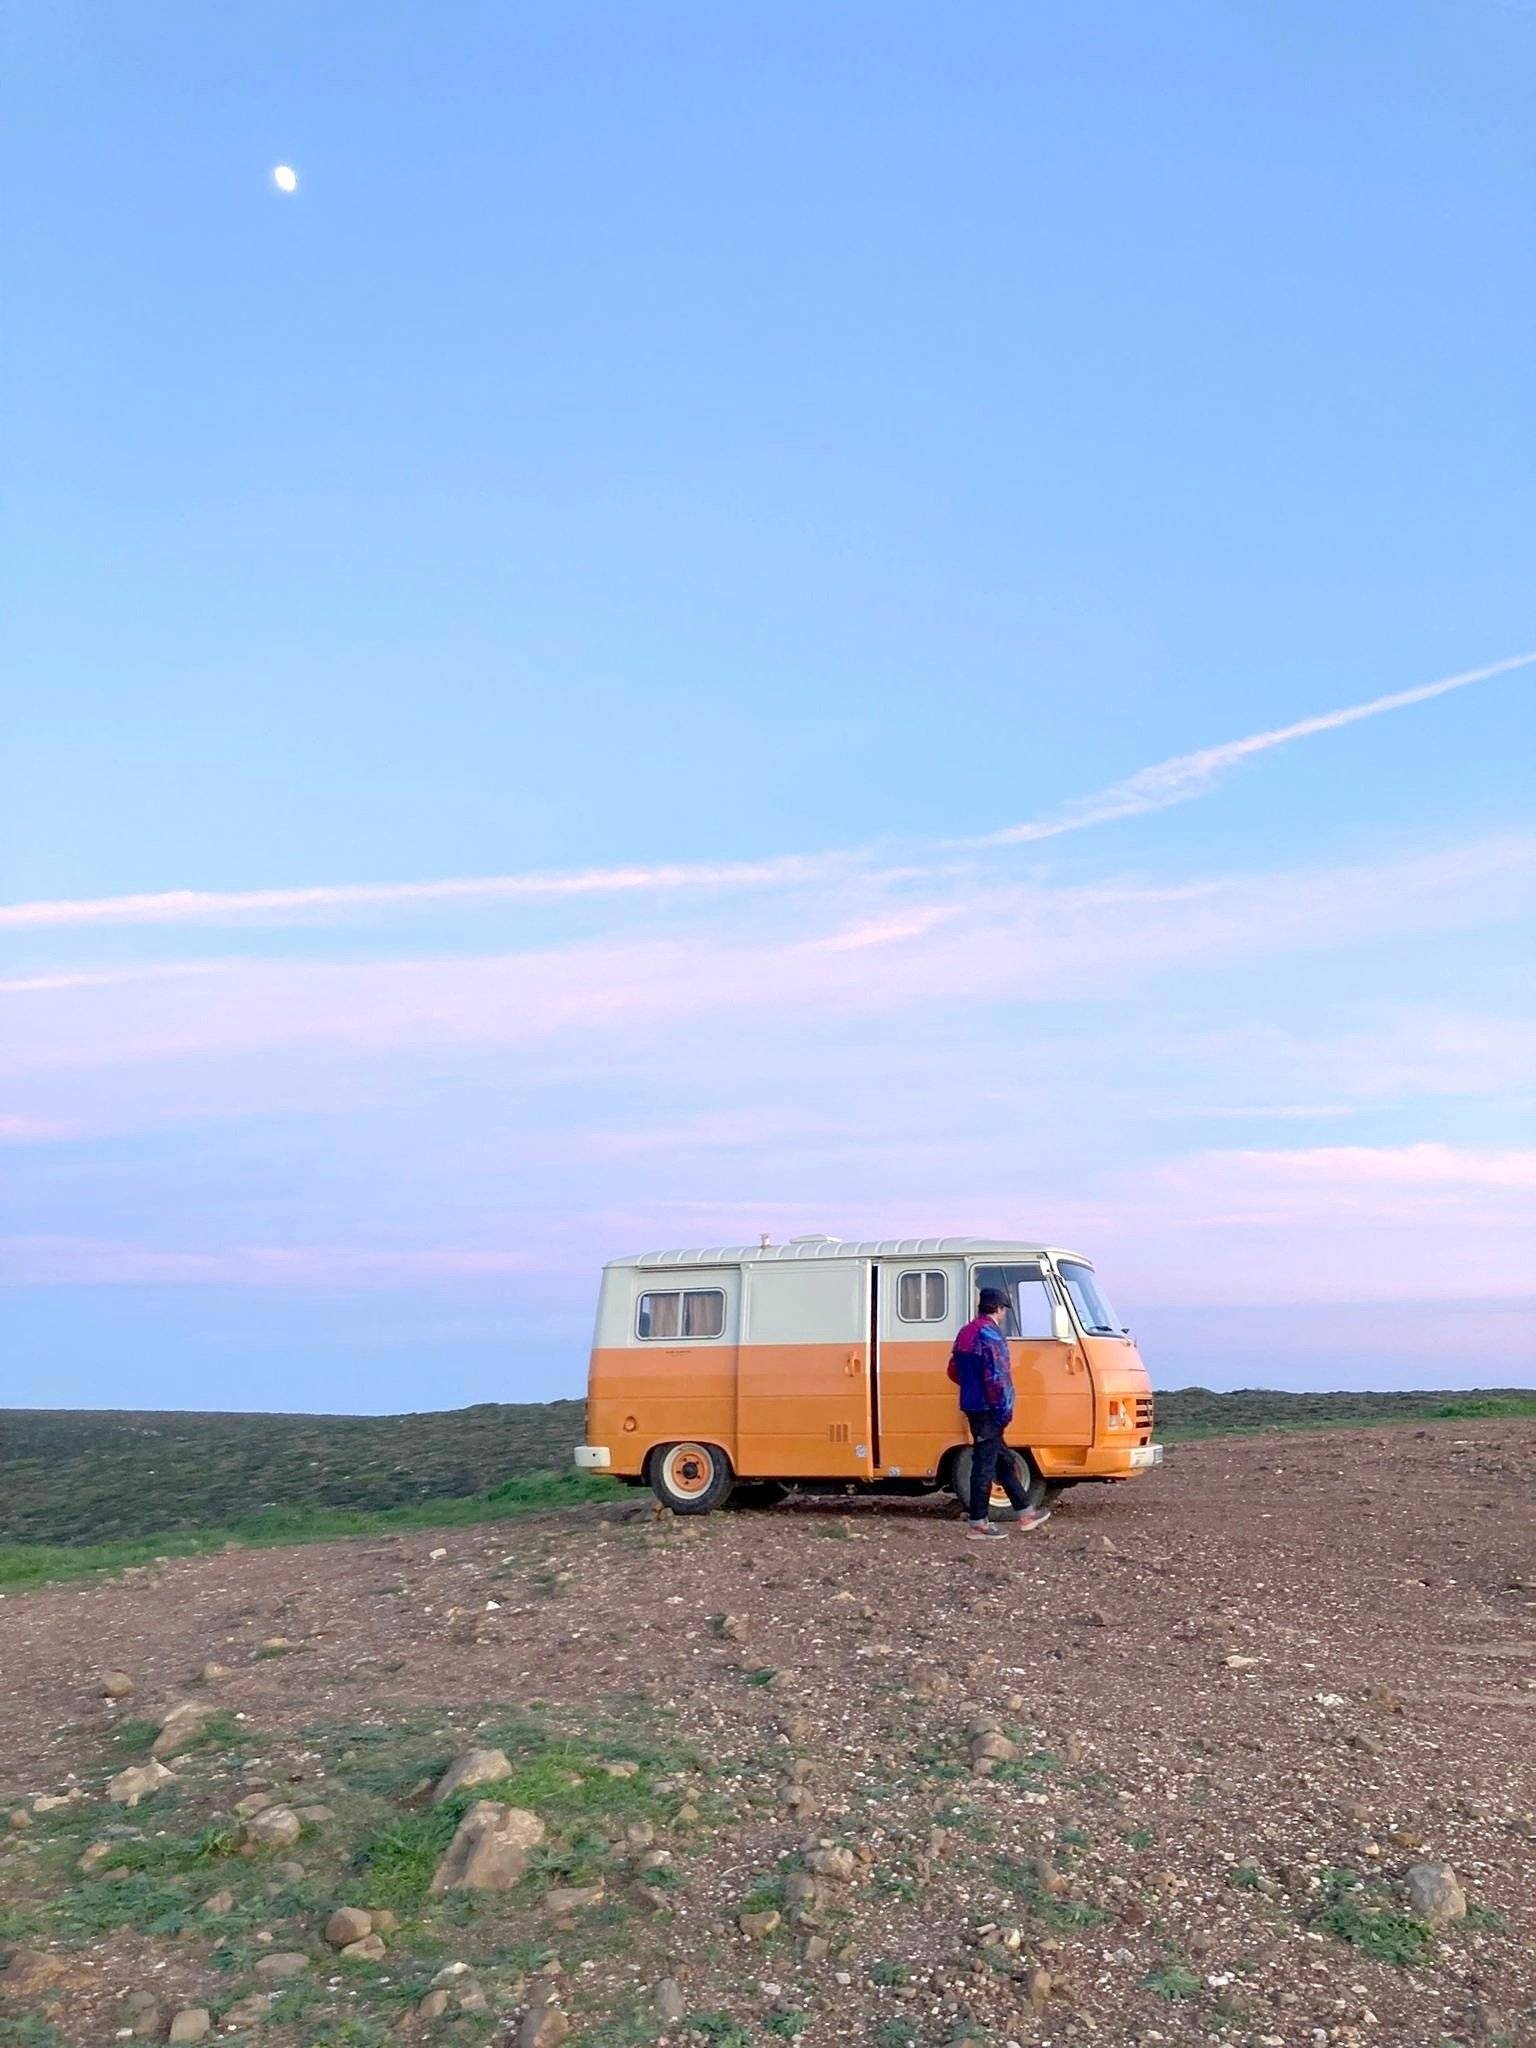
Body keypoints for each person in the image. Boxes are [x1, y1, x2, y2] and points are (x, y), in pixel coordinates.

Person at [949, 1286, 1051, 1541]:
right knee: (984, 1465)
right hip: (990, 1410)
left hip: (973, 1407)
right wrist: (1003, 1411)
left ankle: (1025, 1512)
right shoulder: (991, 1336)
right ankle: (978, 1522)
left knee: (1001, 1459)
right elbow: (998, 1378)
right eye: (1004, 1309)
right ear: (999, 1308)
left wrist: (971, 1389)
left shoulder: (965, 1333)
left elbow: (952, 1371)